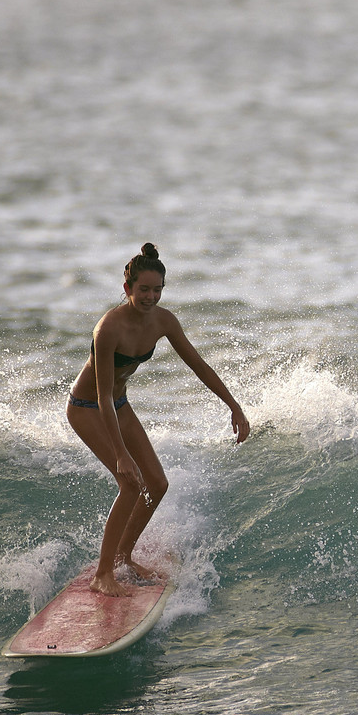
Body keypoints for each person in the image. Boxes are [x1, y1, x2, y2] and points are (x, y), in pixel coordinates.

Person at [66, 243, 250, 596]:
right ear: (128, 288)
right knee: (130, 484)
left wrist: (234, 406)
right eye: (143, 289)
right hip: (88, 406)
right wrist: (121, 453)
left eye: (157, 290)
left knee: (157, 484)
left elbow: (198, 365)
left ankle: (123, 556)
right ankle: (103, 574)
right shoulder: (108, 329)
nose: (150, 297)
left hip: (119, 403)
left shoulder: (164, 321)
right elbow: (101, 396)